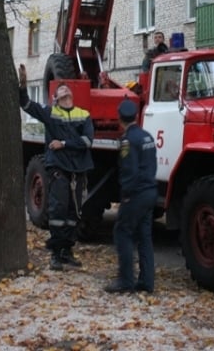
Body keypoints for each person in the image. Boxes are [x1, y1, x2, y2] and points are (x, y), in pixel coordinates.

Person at [18, 64, 94, 271]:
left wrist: (64, 143)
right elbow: (26, 105)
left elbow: (88, 141)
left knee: (74, 213)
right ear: (56, 98)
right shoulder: (50, 113)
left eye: (66, 90)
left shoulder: (84, 115)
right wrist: (23, 85)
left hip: (78, 171)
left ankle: (67, 252)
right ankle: (55, 254)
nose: (65, 91)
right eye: (60, 91)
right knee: (58, 211)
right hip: (59, 169)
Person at [104, 99, 158, 294]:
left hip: (136, 194)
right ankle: (147, 281)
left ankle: (125, 280)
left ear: (120, 119)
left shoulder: (127, 140)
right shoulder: (147, 137)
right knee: (144, 236)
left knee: (122, 232)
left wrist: (126, 195)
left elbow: (129, 170)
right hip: (151, 191)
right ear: (136, 116)